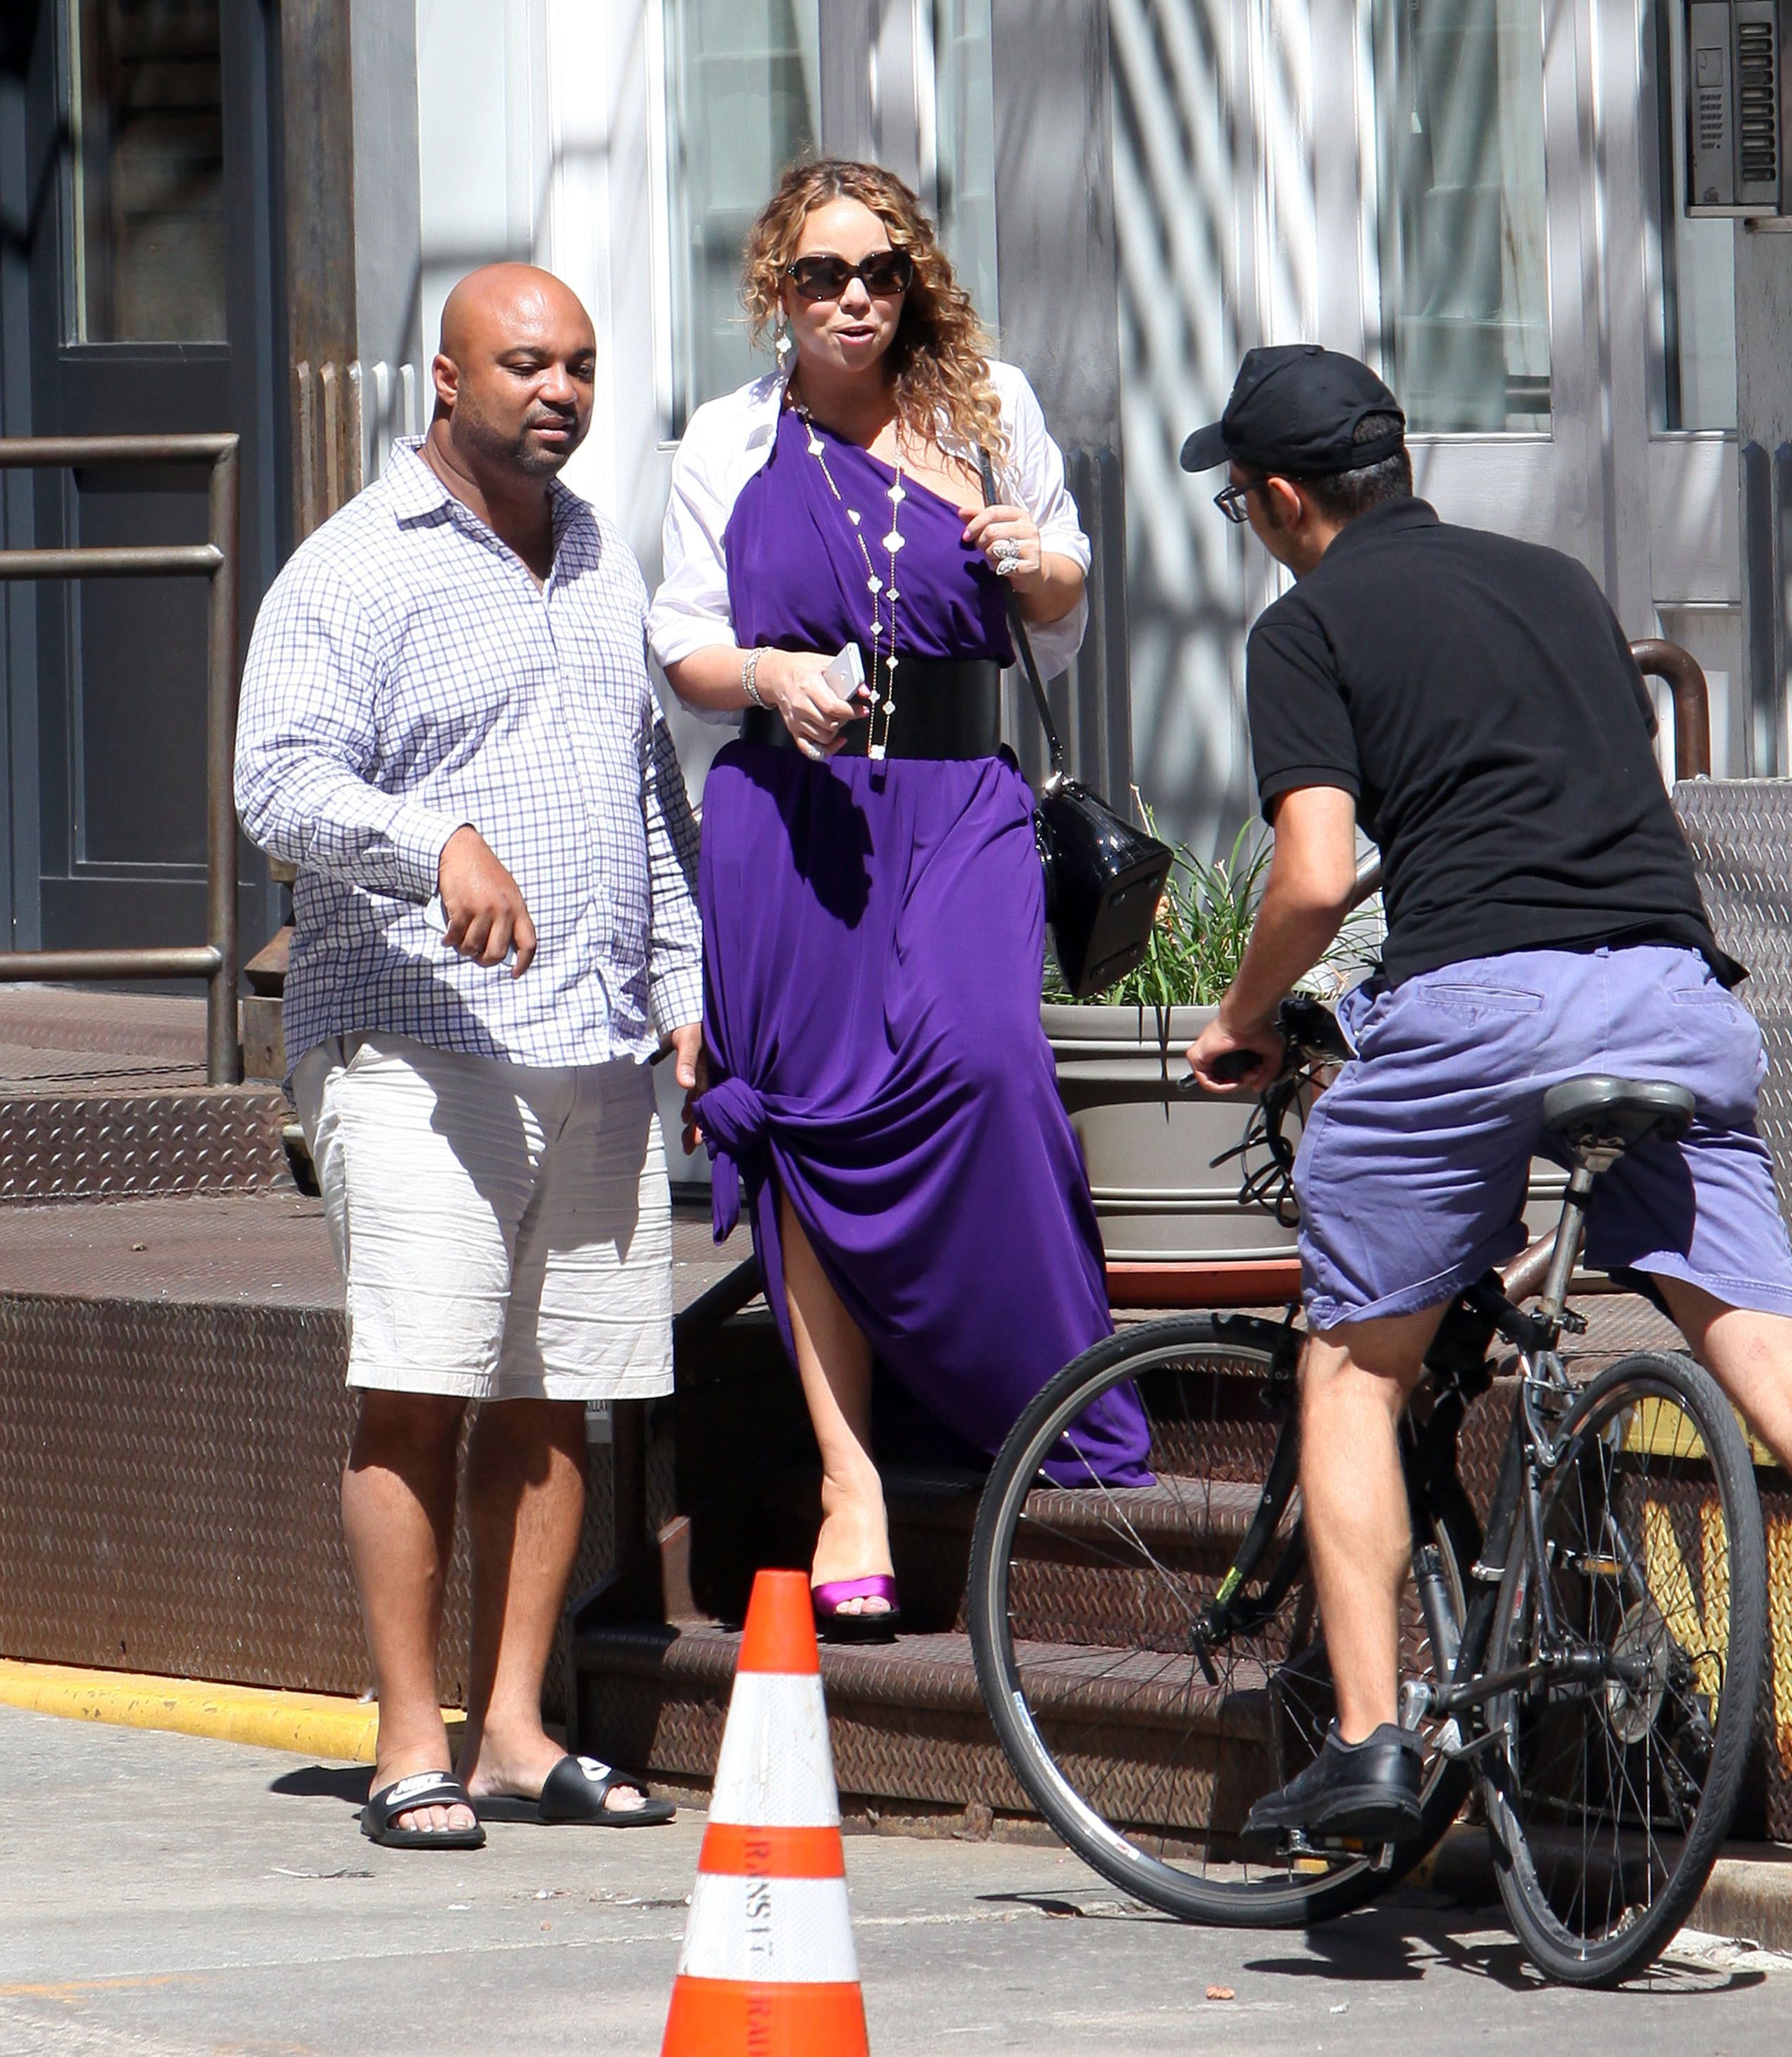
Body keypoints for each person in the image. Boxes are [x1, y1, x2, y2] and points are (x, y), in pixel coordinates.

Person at [1178, 344, 1792, 1883]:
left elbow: (1313, 873)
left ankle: (1372, 1738)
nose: (1251, 522)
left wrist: (1243, 1018)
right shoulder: (1561, 582)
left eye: (1242, 498)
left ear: (1287, 497)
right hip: (1671, 1000)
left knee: (1350, 1365)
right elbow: (1554, 799)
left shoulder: (1304, 629)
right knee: (1783, 1369)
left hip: (1484, 1011)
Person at [650, 158, 1149, 1641]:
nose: (854, 298)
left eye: (879, 272)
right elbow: (680, 644)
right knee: (805, 1119)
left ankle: (1029, 1383)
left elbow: (1061, 606)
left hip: (958, 801)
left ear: (913, 277)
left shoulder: (985, 405)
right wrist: (768, 671)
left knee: (988, 1060)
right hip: (788, 820)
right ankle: (849, 1480)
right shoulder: (729, 438)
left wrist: (1034, 562)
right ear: (777, 290)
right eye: (822, 276)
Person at [236, 263, 694, 1849]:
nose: (557, 390)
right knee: (420, 1384)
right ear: (445, 379)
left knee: (560, 1391)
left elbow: (646, 791)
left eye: (578, 363)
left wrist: (685, 976)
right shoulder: (356, 569)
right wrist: (432, 844)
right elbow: (275, 783)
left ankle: (512, 1727)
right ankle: (403, 1735)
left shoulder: (598, 553)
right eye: (523, 364)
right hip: (412, 1038)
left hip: (595, 1039)